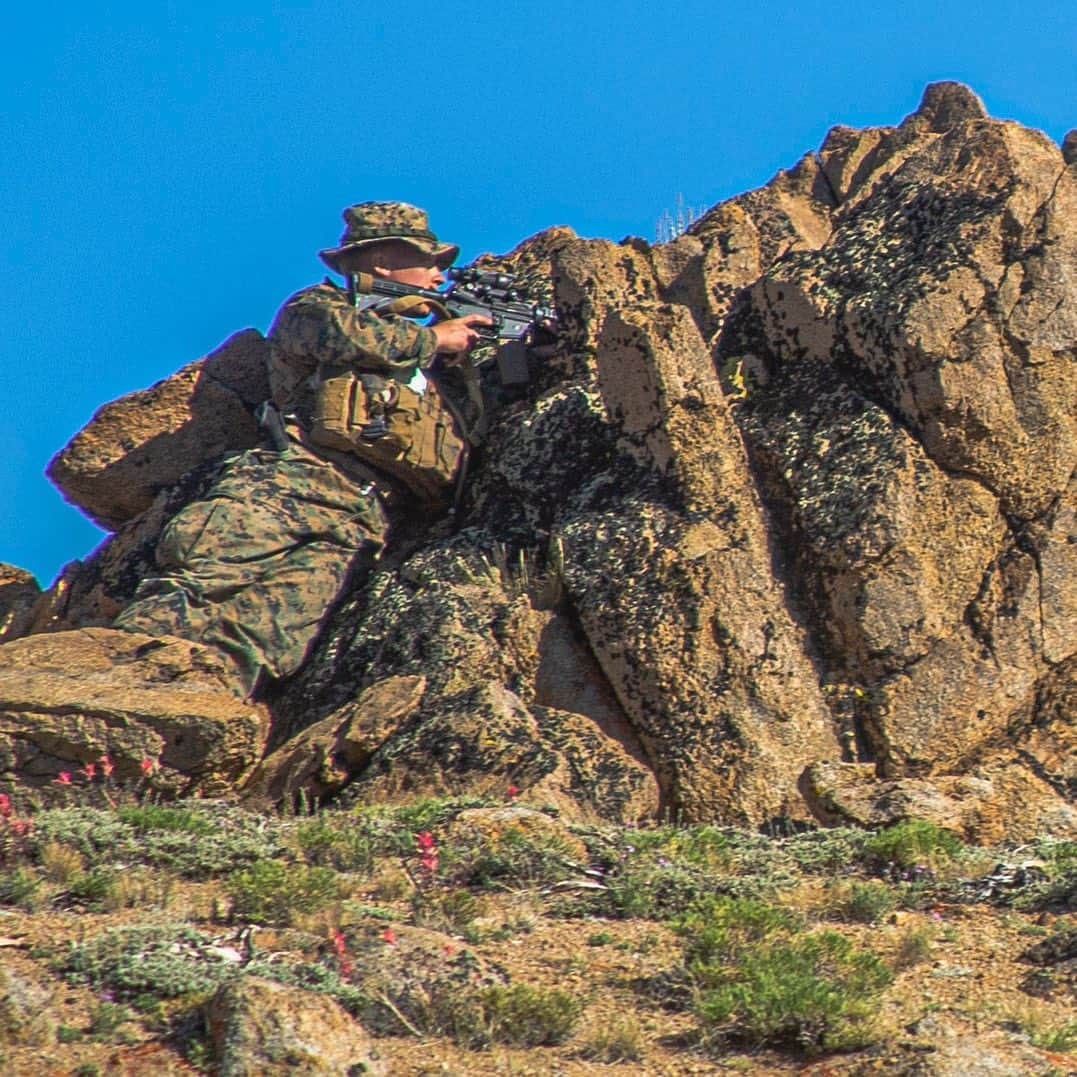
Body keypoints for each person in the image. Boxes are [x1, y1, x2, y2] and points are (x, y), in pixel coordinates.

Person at [114, 202, 491, 698]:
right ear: (382, 262)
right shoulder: (316, 309)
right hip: (292, 485)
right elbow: (340, 336)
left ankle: (192, 712)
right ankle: (105, 687)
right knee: (201, 584)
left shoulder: (426, 360)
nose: (441, 277)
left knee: (269, 634)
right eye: (430, 260)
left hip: (364, 520)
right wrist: (433, 339)